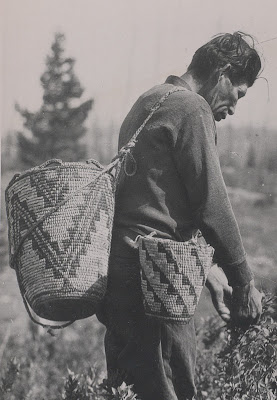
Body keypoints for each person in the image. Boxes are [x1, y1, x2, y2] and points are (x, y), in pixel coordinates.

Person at [97, 32, 263, 400]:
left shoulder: (150, 100)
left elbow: (155, 205)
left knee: (127, 389)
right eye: (238, 93)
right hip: (156, 288)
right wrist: (245, 281)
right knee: (169, 389)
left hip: (123, 277)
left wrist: (210, 274)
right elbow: (211, 204)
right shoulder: (192, 108)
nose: (234, 108)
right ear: (222, 73)